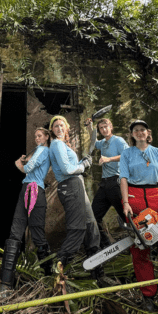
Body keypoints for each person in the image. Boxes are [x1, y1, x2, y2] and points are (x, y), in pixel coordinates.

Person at [119, 120, 158, 311]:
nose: (139, 133)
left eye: (142, 130)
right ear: (131, 135)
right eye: (135, 130)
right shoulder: (126, 153)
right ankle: (148, 295)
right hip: (135, 197)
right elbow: (123, 178)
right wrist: (126, 203)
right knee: (140, 249)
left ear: (148, 133)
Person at [48, 115, 114, 287]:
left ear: (67, 128)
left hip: (78, 186)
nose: (59, 128)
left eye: (62, 125)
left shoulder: (64, 145)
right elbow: (67, 169)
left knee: (92, 230)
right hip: (70, 187)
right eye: (56, 126)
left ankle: (98, 275)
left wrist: (82, 163)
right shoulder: (56, 144)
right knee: (77, 229)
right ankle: (57, 273)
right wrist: (83, 165)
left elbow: (72, 168)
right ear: (52, 130)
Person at [0, 127, 52, 298]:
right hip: (27, 189)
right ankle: (49, 278)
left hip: (34, 190)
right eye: (35, 136)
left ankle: (5, 285)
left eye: (40, 136)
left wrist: (20, 163)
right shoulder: (40, 150)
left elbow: (27, 169)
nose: (36, 138)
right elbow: (28, 169)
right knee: (22, 233)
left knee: (29, 234)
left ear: (47, 137)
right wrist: (22, 162)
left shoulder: (44, 149)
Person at [86, 117, 129, 248]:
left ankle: (142, 242)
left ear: (111, 127)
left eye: (106, 127)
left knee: (127, 217)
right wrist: (89, 127)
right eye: (101, 128)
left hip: (116, 183)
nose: (104, 130)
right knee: (93, 217)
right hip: (104, 185)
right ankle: (107, 247)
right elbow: (95, 142)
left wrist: (109, 159)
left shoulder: (118, 141)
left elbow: (128, 156)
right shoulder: (103, 143)